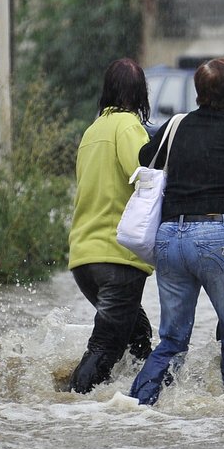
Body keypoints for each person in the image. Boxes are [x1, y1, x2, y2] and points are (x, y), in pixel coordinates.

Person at [129, 58, 224, 405]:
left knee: (172, 339)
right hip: (218, 235)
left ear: (199, 93)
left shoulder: (176, 124)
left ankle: (136, 405)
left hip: (170, 237)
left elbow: (146, 158)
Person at [68, 58, 155, 394]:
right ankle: (71, 404)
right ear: (140, 94)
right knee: (105, 347)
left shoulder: (91, 132)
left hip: (84, 259)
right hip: (116, 259)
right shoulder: (128, 127)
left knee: (138, 336)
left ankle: (139, 400)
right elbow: (145, 180)